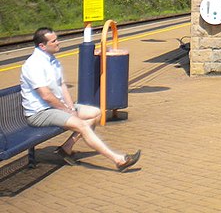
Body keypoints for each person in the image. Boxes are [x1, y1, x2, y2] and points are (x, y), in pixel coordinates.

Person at [20, 27, 141, 172]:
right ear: (42, 46)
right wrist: (67, 111)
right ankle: (118, 160)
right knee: (82, 126)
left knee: (96, 113)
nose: (58, 42)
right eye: (54, 41)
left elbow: (62, 85)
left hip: (56, 108)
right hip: (40, 112)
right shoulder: (33, 65)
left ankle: (66, 148)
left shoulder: (52, 60)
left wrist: (71, 108)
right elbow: (46, 96)